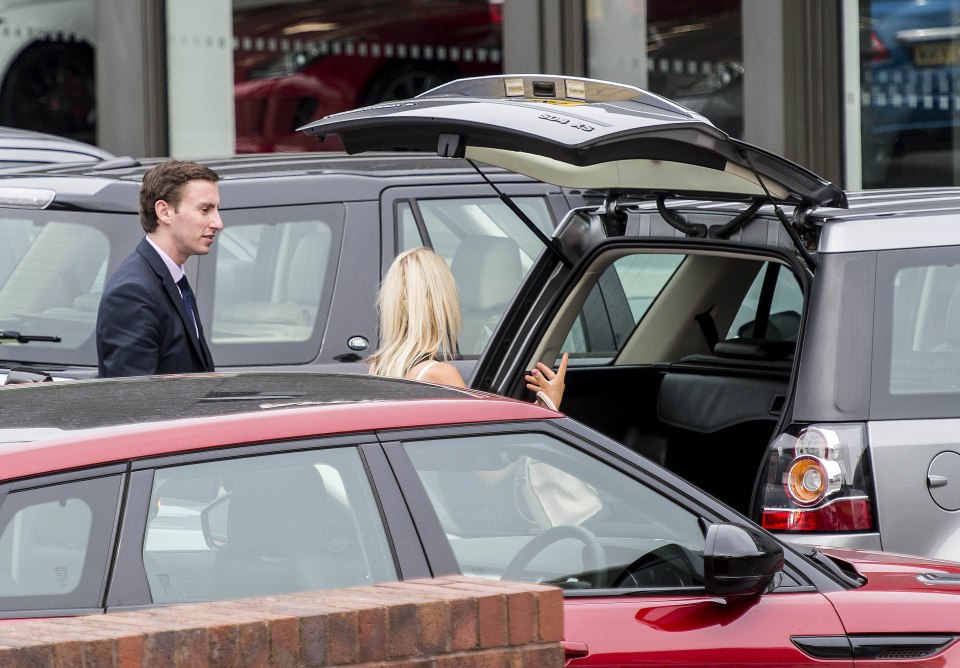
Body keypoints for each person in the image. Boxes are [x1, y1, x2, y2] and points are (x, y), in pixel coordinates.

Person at [367, 246, 568, 409]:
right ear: (440, 301)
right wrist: (550, 405)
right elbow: (479, 449)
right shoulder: (440, 374)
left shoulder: (378, 367)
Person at [96, 160, 223, 377]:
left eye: (216, 209)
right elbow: (134, 400)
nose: (218, 223)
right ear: (164, 212)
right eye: (205, 210)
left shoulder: (171, 279)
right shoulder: (133, 293)